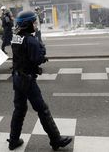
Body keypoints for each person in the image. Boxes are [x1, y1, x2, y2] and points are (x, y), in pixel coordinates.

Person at [8, 10, 72, 151]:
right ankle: (56, 140)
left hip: (17, 78)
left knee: (19, 109)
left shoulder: (16, 37)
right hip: (27, 81)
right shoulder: (31, 40)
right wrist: (41, 47)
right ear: (27, 24)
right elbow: (38, 59)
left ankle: (13, 140)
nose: (35, 25)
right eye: (33, 22)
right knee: (42, 109)